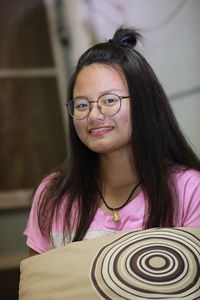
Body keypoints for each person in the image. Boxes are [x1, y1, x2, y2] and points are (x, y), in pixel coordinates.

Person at [24, 27, 200, 256]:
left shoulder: (189, 189)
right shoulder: (53, 194)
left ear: (144, 103)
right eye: (81, 105)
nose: (94, 116)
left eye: (109, 100)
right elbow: (37, 288)